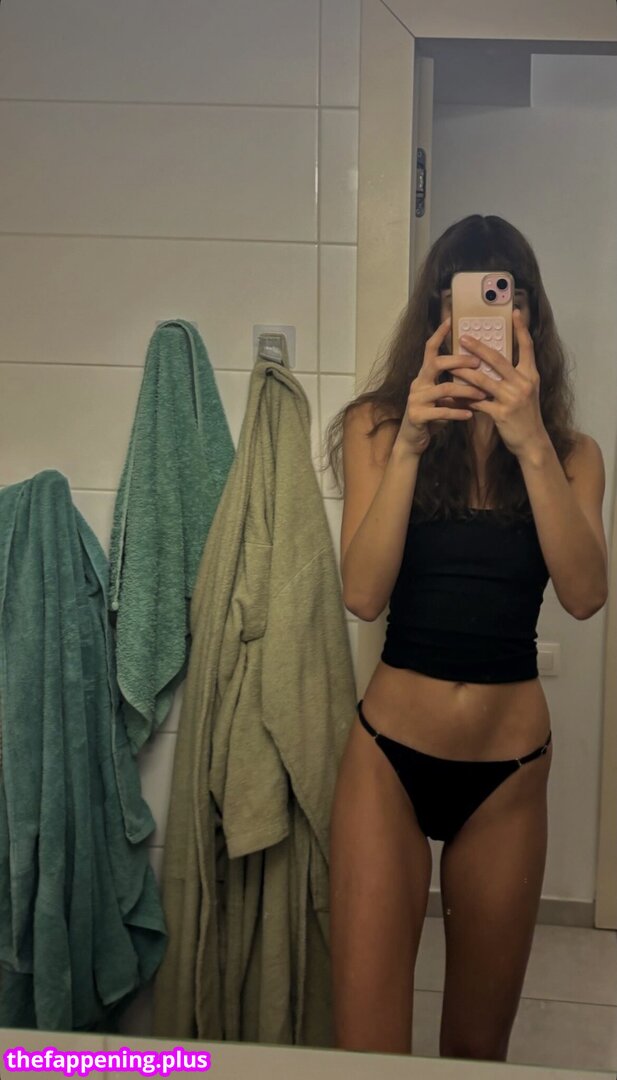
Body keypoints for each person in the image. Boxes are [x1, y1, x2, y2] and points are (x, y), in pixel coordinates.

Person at [326, 215, 608, 1062]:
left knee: (476, 1056)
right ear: (435, 316)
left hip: (507, 775)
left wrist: (530, 444)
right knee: (368, 1053)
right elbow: (361, 596)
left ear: (528, 316)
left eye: (503, 297)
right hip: (387, 761)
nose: (485, 321)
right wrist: (411, 443)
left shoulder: (572, 454)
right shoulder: (377, 427)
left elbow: (586, 595)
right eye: (465, 299)